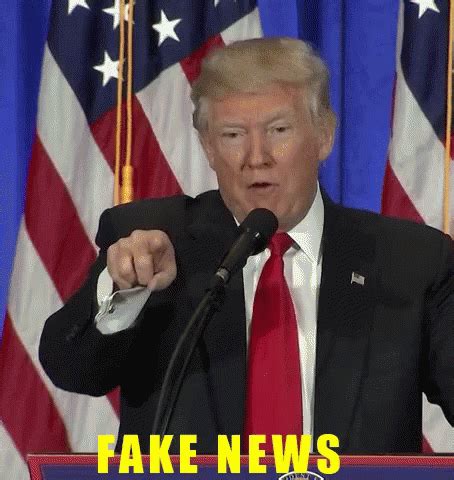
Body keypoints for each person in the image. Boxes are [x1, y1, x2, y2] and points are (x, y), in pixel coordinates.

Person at [39, 37, 454, 454]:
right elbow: (73, 370)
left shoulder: (410, 261)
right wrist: (126, 289)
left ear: (324, 136)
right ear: (208, 147)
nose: (257, 157)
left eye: (278, 130)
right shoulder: (155, 243)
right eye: (233, 134)